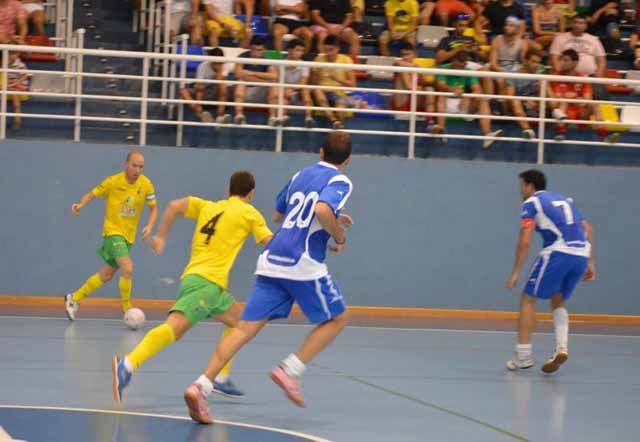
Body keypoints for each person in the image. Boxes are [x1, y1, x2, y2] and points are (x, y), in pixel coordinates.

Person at [181, 131, 354, 424]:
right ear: (347, 160)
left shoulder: (301, 174)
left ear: (321, 152)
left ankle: (201, 385)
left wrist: (332, 219)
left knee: (243, 329)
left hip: (272, 258)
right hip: (302, 262)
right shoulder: (341, 181)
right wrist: (338, 233)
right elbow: (322, 208)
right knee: (337, 318)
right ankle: (290, 369)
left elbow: (278, 215)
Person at [112, 171, 273, 402]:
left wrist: (161, 237)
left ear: (229, 190)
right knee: (175, 328)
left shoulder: (207, 206)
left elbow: (174, 206)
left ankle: (221, 377)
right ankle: (127, 364)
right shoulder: (250, 213)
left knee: (241, 324)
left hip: (208, 284)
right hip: (206, 284)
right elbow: (271, 243)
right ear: (251, 193)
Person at [506, 169, 595, 374]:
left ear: (530, 186)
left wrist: (516, 272)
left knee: (528, 299)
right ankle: (561, 348)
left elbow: (525, 239)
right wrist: (590, 263)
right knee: (558, 299)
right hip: (581, 253)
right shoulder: (564, 199)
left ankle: (523, 356)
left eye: (522, 186)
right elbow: (588, 229)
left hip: (558, 252)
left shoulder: (531, 203)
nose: (521, 190)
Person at [65, 151, 158, 321]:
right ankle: (127, 310)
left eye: (141, 167)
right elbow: (91, 194)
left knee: (106, 275)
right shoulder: (113, 182)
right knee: (128, 267)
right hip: (112, 232)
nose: (138, 170)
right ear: (126, 164)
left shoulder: (146, 184)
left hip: (128, 237)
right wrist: (80, 204)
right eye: (134, 165)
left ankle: (74, 298)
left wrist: (150, 225)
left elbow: (154, 208)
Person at [432, 51, 503, 149]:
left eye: (463, 64)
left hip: (464, 105)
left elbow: (477, 88)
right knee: (441, 95)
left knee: (482, 99)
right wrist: (452, 89)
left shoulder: (468, 70)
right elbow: (440, 85)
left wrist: (468, 96)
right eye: (459, 63)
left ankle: (487, 135)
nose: (461, 66)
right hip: (446, 104)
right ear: (453, 61)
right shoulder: (443, 69)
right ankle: (441, 130)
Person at [548, 49, 618, 143]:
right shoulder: (554, 77)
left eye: (565, 60)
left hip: (580, 115)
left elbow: (587, 100)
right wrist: (573, 98)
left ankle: (604, 135)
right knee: (563, 102)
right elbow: (556, 99)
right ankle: (560, 132)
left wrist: (572, 98)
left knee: (594, 104)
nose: (562, 63)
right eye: (561, 60)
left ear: (575, 63)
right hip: (561, 115)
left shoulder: (582, 78)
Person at [311, 35, 356, 129]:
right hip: (322, 92)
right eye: (326, 49)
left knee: (340, 108)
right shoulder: (318, 59)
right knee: (317, 90)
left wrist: (337, 79)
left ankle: (340, 129)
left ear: (338, 48)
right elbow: (313, 83)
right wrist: (317, 74)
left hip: (338, 93)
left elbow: (353, 84)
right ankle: (333, 120)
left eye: (331, 49)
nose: (328, 53)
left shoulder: (346, 60)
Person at [233, 35, 279, 126]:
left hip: (261, 91)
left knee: (273, 84)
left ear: (264, 49)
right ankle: (239, 116)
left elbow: (274, 76)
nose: (256, 53)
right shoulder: (243, 56)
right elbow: (238, 74)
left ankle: (273, 118)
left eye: (260, 50)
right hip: (246, 91)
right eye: (254, 49)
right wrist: (264, 80)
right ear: (250, 48)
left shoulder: (268, 57)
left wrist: (250, 73)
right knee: (240, 82)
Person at [180, 47, 231, 126]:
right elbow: (199, 88)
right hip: (202, 91)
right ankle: (201, 114)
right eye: (215, 62)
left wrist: (219, 70)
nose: (217, 65)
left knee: (222, 85)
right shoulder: (202, 66)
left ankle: (220, 116)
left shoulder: (225, 65)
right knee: (183, 91)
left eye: (219, 62)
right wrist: (199, 104)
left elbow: (220, 79)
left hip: (217, 92)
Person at [392, 42, 436, 130]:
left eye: (408, 54)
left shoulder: (418, 70)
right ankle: (431, 120)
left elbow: (425, 84)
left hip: (415, 102)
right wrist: (416, 67)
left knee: (430, 89)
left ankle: (430, 122)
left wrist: (423, 79)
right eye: (403, 55)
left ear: (414, 55)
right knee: (404, 70)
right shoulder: (401, 65)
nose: (404, 57)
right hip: (402, 103)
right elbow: (409, 87)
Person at [504, 49, 544, 139]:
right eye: (533, 62)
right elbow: (509, 96)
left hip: (534, 104)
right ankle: (528, 130)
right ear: (525, 61)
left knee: (545, 82)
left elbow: (540, 95)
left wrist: (537, 98)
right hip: (517, 105)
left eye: (538, 62)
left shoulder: (539, 75)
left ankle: (555, 110)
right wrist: (525, 100)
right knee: (515, 101)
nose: (536, 65)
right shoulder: (514, 74)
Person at [280, 39, 316, 128]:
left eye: (302, 51)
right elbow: (278, 80)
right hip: (284, 91)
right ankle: (284, 117)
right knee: (283, 94)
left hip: (297, 91)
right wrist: (285, 89)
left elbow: (303, 81)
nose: (300, 53)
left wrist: (291, 89)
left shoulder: (304, 64)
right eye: (297, 50)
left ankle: (308, 118)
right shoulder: (280, 63)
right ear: (289, 50)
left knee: (305, 89)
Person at [5, 48, 29, 130]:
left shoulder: (21, 64)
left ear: (18, 53)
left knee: (15, 99)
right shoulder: (5, 63)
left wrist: (13, 84)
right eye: (10, 53)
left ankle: (17, 120)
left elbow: (24, 77)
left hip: (19, 85)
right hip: (9, 84)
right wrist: (8, 83)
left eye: (14, 53)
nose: (12, 56)